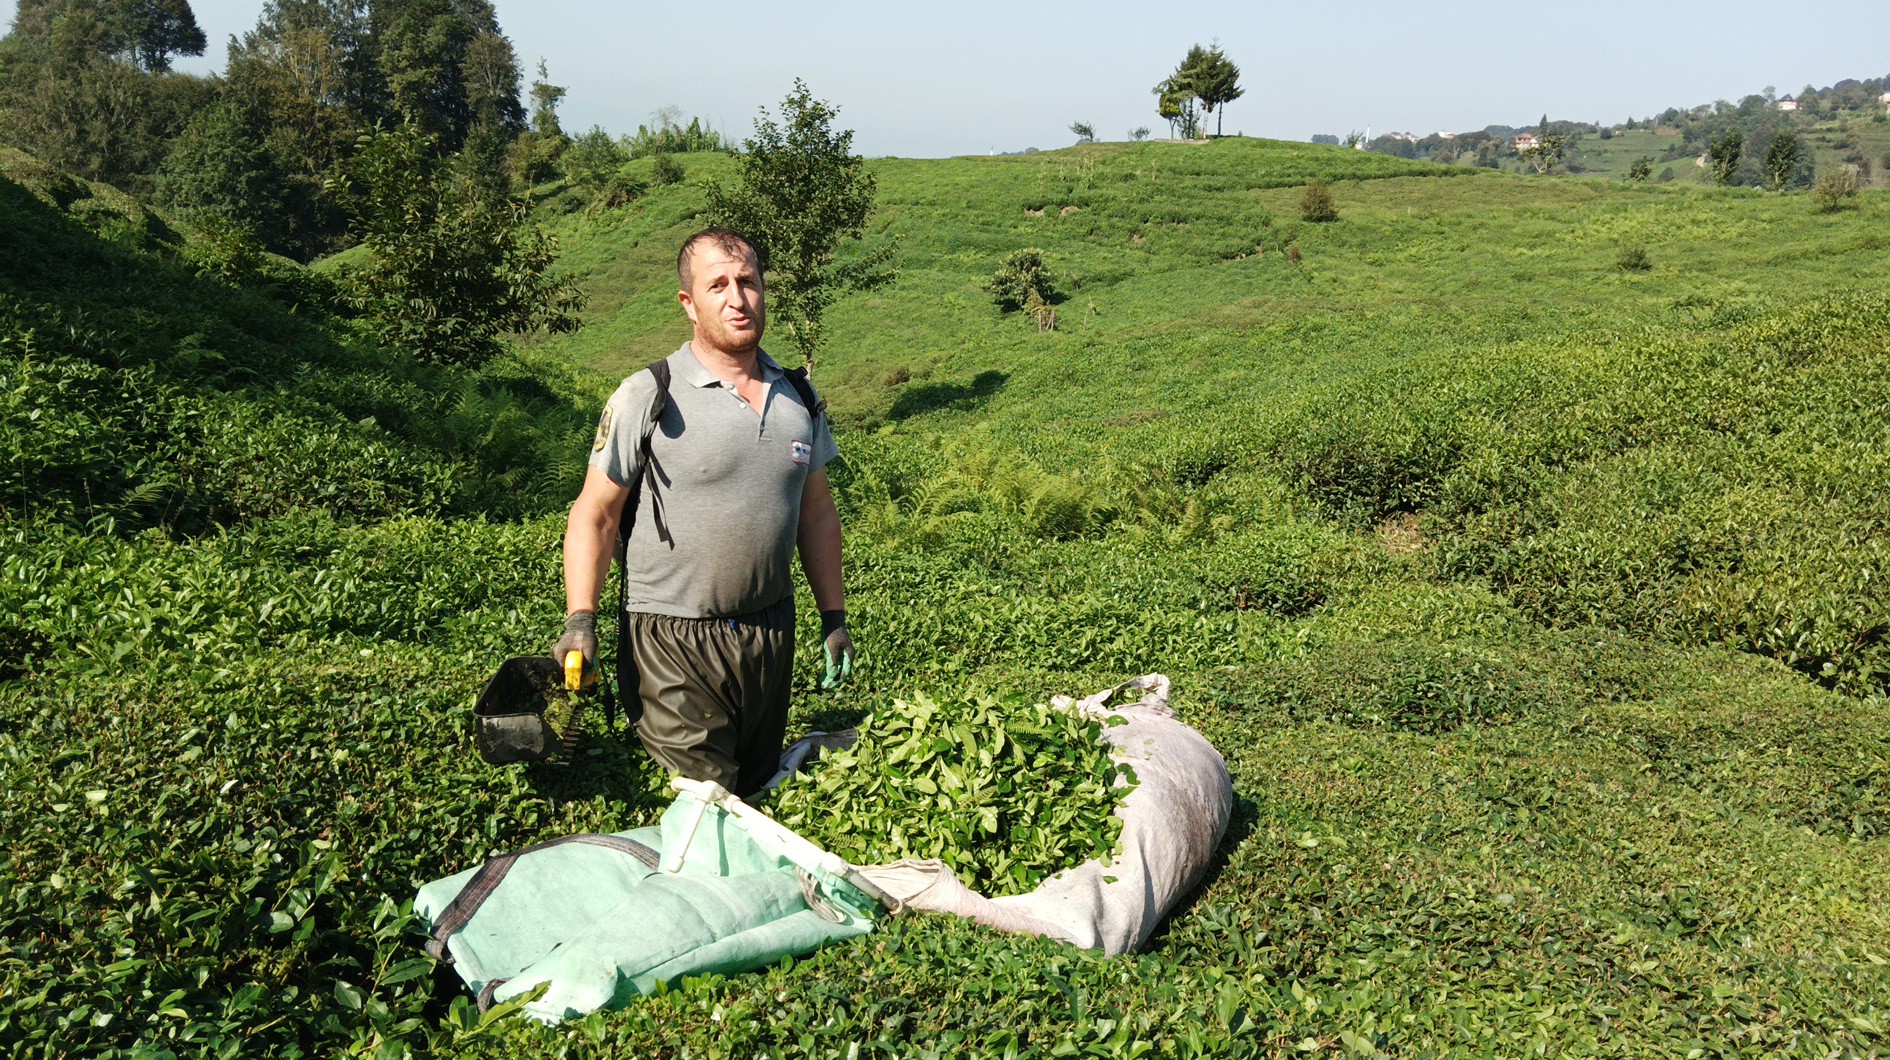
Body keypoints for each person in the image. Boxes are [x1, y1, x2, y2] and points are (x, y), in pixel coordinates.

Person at [552, 227, 855, 797]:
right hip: (672, 639)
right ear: (689, 304)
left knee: (758, 790)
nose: (737, 299)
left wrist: (833, 619)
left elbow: (816, 516)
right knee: (708, 804)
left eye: (748, 282)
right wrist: (580, 619)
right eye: (717, 285)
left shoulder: (799, 397)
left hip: (768, 633)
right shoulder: (650, 393)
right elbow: (595, 514)